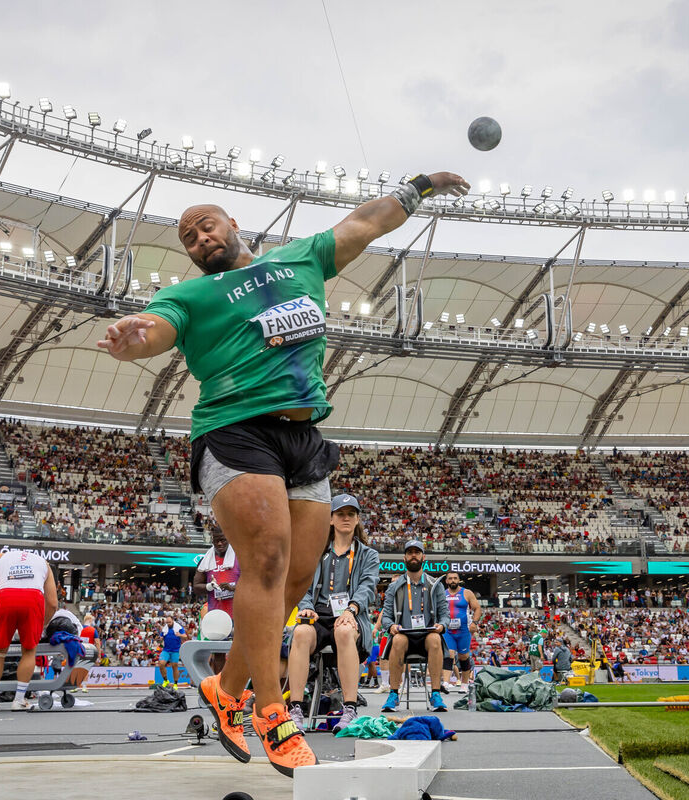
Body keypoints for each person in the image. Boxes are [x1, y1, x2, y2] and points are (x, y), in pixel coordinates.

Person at [97, 169, 468, 776]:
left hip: (303, 437)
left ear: (234, 224)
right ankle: (272, 710)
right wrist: (134, 336)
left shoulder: (302, 259)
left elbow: (363, 225)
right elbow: (154, 328)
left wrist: (416, 189)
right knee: (266, 560)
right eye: (187, 237)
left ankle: (225, 687)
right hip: (235, 430)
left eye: (205, 224)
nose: (198, 237)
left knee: (294, 582)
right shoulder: (189, 298)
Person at [286, 493, 379, 731]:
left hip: (350, 615)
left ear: (357, 519)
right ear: (331, 519)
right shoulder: (316, 551)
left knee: (345, 631)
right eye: (340, 514)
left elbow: (368, 586)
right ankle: (295, 708)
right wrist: (306, 608)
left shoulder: (368, 555)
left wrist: (351, 609)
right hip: (318, 615)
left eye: (350, 514)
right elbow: (303, 585)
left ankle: (349, 708)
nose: (345, 518)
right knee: (300, 633)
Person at [0, 549, 58, 711]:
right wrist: (41, 623)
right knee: (29, 651)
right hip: (32, 599)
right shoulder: (44, 563)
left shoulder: (0, 559)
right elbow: (52, 603)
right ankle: (19, 699)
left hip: (4, 598)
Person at [380, 540, 450, 712]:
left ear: (423, 557)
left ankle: (435, 694)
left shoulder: (435, 584)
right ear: (404, 557)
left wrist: (441, 625)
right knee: (397, 640)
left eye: (416, 552)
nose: (413, 555)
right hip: (404, 635)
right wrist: (390, 627)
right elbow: (386, 616)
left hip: (427, 635)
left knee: (435, 638)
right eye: (410, 552)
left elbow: (445, 615)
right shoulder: (394, 587)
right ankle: (393, 694)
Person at [194, 525, 238, 673]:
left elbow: (253, 583)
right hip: (217, 614)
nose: (219, 544)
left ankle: (238, 686)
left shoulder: (239, 557)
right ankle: (220, 686)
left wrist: (234, 588)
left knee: (239, 651)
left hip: (238, 612)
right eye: (216, 541)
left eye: (223, 540)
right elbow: (196, 586)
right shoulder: (206, 560)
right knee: (218, 653)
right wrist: (209, 586)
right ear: (212, 540)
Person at [441, 571, 480, 695]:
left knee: (463, 656)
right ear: (446, 581)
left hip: (463, 630)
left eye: (455, 578)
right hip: (448, 630)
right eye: (450, 578)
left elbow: (477, 608)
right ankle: (446, 683)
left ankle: (464, 684)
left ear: (459, 580)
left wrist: (474, 622)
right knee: (449, 654)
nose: (453, 580)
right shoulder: (442, 594)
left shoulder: (466, 593)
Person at [158, 614, 188, 688]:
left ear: (173, 621)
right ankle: (165, 680)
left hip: (175, 650)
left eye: (169, 622)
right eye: (167, 622)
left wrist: (179, 635)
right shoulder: (164, 629)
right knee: (161, 664)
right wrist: (160, 639)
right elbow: (160, 638)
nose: (168, 624)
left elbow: (185, 636)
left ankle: (175, 684)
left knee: (174, 666)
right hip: (166, 650)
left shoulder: (178, 627)